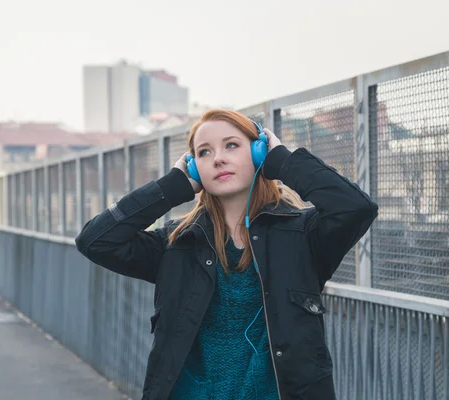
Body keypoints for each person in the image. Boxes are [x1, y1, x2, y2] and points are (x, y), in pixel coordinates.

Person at [75, 109, 378, 400]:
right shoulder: (176, 242)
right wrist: (172, 187)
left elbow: (356, 208)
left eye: (231, 145)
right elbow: (95, 240)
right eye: (204, 152)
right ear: (193, 168)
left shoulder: (302, 235)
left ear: (259, 153)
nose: (218, 158)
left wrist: (284, 163)